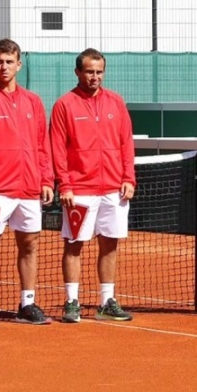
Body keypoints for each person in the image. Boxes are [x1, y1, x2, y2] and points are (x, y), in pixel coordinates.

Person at [0, 38, 54, 327]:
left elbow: (43, 144)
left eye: (9, 61)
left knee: (29, 245)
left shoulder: (33, 101)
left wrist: (46, 179)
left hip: (29, 188)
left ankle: (27, 303)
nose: (3, 66)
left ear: (19, 64)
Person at [50, 48, 136, 323]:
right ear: (78, 72)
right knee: (74, 245)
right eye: (89, 71)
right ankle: (72, 302)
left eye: (99, 71)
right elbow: (58, 149)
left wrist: (128, 178)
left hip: (114, 189)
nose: (94, 77)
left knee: (109, 245)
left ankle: (106, 301)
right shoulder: (65, 105)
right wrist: (65, 185)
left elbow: (126, 143)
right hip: (80, 191)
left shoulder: (116, 102)